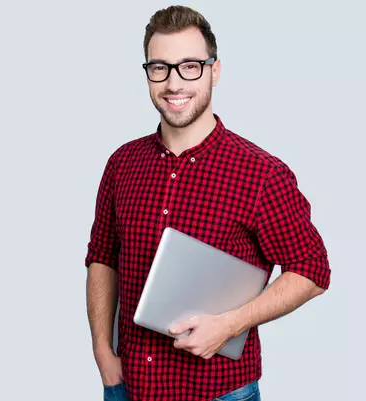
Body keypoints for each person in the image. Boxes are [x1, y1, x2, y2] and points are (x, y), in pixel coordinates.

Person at [84, 5, 332, 401]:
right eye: (160, 67)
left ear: (214, 71)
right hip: (127, 387)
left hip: (218, 392)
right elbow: (102, 257)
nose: (173, 82)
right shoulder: (122, 163)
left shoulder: (262, 174)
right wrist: (101, 350)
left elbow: (313, 269)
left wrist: (231, 324)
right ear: (147, 74)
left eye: (190, 66)